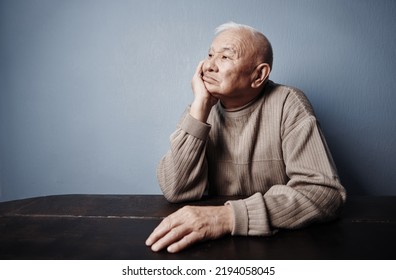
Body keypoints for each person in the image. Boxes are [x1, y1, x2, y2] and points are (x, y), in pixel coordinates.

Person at [146, 22, 346, 253]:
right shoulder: (201, 109)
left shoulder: (288, 103)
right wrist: (200, 107)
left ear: (259, 75)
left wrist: (228, 217)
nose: (209, 65)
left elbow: (324, 194)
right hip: (211, 248)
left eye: (225, 57)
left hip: (281, 247)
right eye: (210, 54)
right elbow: (176, 190)